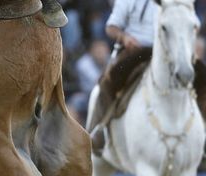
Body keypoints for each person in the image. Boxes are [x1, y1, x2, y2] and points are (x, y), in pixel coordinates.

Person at [87, 0, 206, 154]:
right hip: (136, 50)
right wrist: (124, 38)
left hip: (171, 52)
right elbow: (111, 27)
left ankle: (203, 131)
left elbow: (193, 24)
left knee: (203, 78)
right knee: (108, 80)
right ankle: (100, 129)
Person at [67, 39, 110, 125]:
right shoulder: (83, 63)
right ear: (91, 51)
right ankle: (77, 135)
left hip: (107, 95)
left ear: (107, 50)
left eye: (103, 50)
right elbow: (99, 81)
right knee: (75, 102)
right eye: (98, 50)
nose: (101, 53)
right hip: (88, 96)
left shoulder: (112, 59)